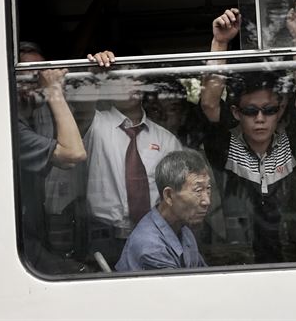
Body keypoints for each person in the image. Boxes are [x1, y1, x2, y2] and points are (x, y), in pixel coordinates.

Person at [200, 2, 296, 263]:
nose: (261, 119)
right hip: (238, 261)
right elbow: (209, 103)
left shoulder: (293, 143)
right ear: (235, 112)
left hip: (293, 261)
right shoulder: (226, 147)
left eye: (269, 110)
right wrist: (220, 44)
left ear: (281, 108)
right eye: (251, 111)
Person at [83, 51, 183, 267]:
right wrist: (94, 73)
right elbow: (81, 105)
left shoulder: (166, 140)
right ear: (107, 86)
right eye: (120, 79)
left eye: (135, 78)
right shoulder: (94, 124)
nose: (130, 84)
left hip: (156, 235)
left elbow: (179, 198)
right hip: (103, 236)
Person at [17, 42, 88, 273]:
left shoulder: (39, 114)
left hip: (38, 232)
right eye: (24, 72)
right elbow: (74, 153)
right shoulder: (13, 126)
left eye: (40, 73)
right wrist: (53, 91)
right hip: (21, 238)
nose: (35, 79)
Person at [115, 150, 212, 271]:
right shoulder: (151, 247)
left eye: (208, 188)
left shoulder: (184, 231)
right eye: (198, 191)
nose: (206, 201)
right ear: (169, 196)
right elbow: (179, 289)